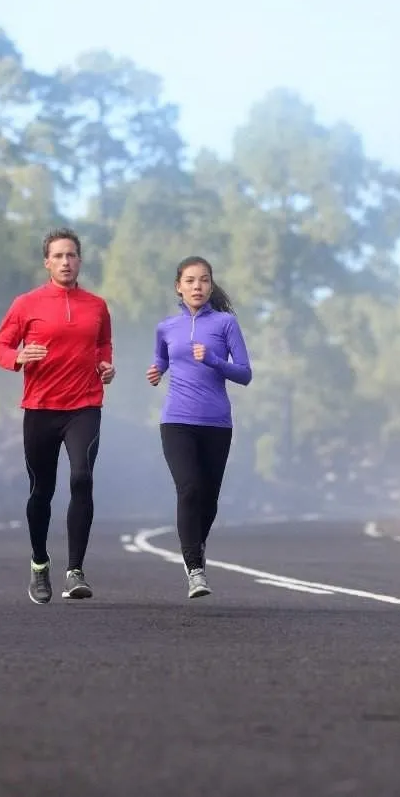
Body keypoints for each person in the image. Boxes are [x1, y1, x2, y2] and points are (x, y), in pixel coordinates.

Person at [0, 227, 115, 605]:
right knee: (41, 490)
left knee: (81, 477)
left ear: (80, 260)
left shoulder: (96, 305)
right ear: (47, 262)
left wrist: (106, 365)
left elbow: (103, 343)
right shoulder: (26, 303)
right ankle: (40, 563)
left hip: (84, 405)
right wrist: (17, 358)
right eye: (58, 256)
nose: (66, 261)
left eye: (72, 255)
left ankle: (75, 570)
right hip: (41, 408)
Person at [146, 255, 252, 598]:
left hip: (216, 423)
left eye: (204, 280)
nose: (197, 286)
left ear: (211, 285)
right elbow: (162, 357)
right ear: (178, 286)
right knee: (189, 488)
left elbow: (245, 374)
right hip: (176, 420)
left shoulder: (225, 324)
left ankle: (196, 544)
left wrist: (214, 360)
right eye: (190, 280)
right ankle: (195, 568)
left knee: (209, 498)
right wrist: (156, 370)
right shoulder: (166, 327)